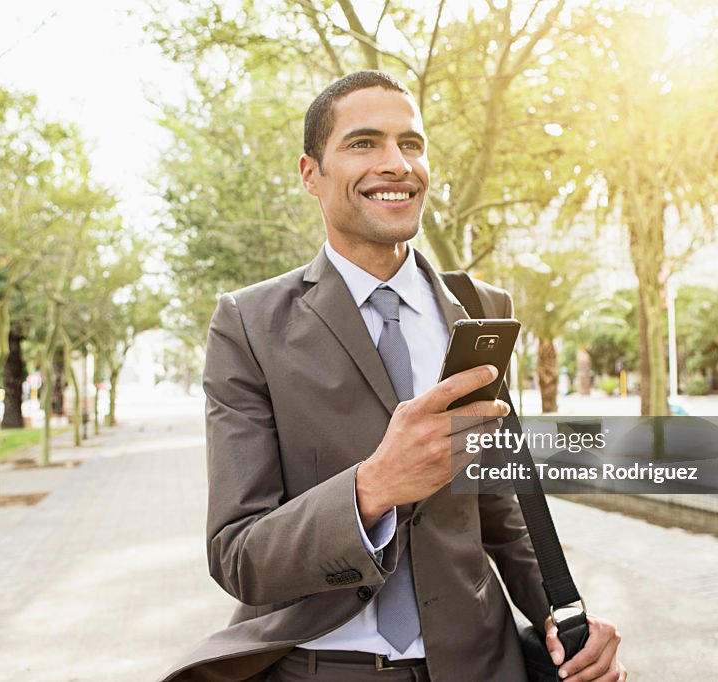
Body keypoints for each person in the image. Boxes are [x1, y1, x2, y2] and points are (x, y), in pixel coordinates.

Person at [159, 71, 625, 682]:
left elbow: (498, 506)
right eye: (363, 144)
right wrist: (372, 488)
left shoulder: (483, 307)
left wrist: (563, 618)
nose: (396, 163)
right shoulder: (247, 325)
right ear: (310, 174)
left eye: (411, 143)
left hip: (482, 666)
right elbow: (238, 555)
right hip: (321, 667)